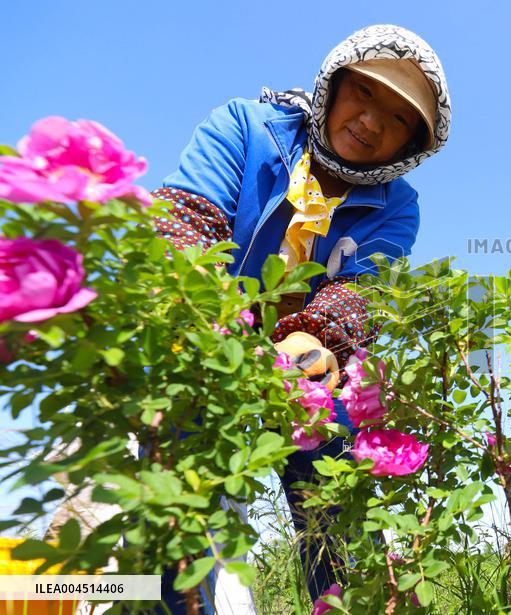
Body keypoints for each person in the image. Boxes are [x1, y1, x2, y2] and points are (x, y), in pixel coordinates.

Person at [149, 24, 450, 613]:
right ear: (332, 85)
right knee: (177, 515)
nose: (370, 122)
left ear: (412, 145)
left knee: (337, 493)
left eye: (396, 118)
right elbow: (184, 225)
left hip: (304, 366)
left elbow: (360, 297)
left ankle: (350, 601)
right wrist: (219, 340)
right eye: (363, 94)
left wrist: (308, 346)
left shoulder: (399, 207)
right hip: (204, 337)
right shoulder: (245, 126)